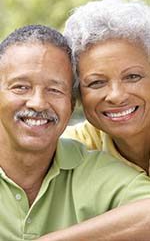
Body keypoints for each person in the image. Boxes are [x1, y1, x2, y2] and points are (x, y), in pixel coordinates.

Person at [2, 24, 150, 241]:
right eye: (20, 87)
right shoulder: (81, 140)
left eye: (54, 89)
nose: (38, 102)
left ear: (71, 104)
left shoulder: (96, 171)